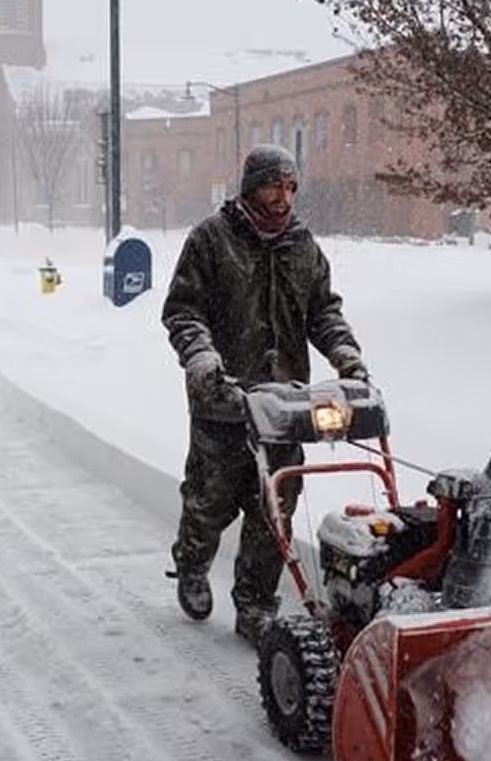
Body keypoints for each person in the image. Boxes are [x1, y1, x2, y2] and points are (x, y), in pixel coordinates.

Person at [162, 143, 369, 644]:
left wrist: (346, 355)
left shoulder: (302, 246)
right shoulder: (212, 240)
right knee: (210, 501)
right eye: (275, 185)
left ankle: (255, 602)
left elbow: (323, 311)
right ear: (251, 187)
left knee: (273, 506)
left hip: (284, 405)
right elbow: (183, 311)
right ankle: (192, 566)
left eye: (291, 186)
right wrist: (203, 360)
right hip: (223, 401)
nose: (284, 197)